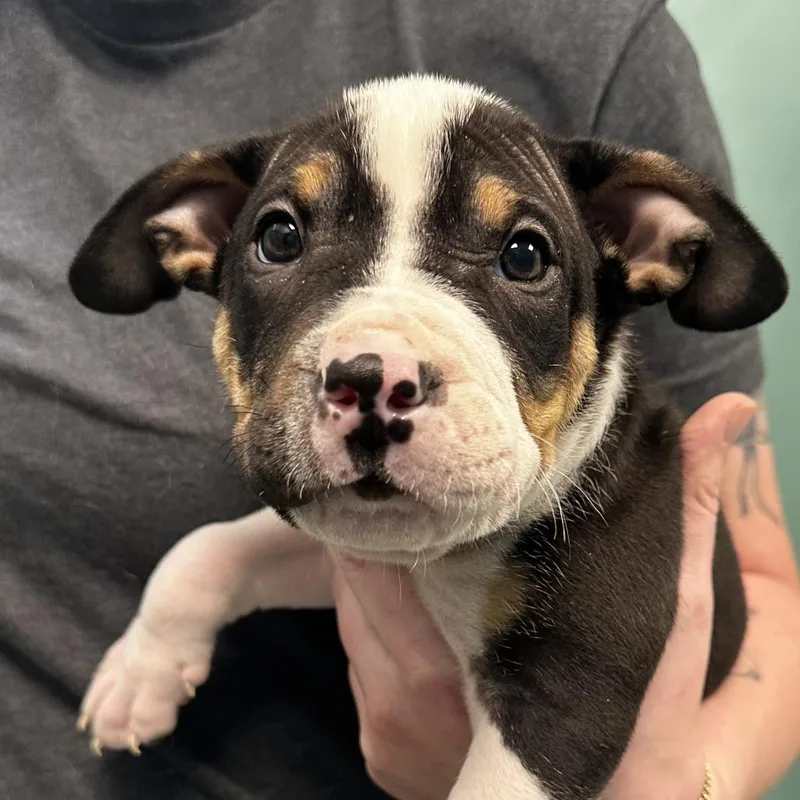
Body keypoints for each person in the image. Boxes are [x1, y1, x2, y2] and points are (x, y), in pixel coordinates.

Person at [1, 1, 798, 798]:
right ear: (206, 236)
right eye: (282, 239)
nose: (380, 372)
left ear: (637, 242)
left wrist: (690, 784)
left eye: (523, 256)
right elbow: (348, 559)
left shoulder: (597, 33)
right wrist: (190, 595)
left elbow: (761, 606)